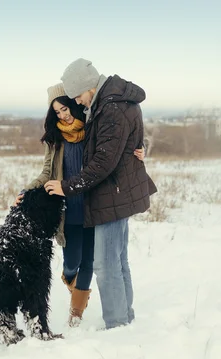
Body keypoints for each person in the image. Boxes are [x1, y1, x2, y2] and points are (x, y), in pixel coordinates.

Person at [17, 83, 145, 327]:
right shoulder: (54, 139)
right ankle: (74, 285)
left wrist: (139, 150)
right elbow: (47, 172)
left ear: (74, 105)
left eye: (65, 109)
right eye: (57, 112)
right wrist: (28, 190)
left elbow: (113, 150)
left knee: (89, 262)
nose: (63, 115)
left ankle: (76, 313)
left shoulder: (91, 129)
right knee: (71, 263)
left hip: (92, 207)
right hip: (68, 211)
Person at [44, 59, 157, 330]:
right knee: (119, 261)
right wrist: (139, 146)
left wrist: (66, 186)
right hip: (117, 192)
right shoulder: (113, 102)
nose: (77, 102)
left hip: (112, 194)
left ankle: (117, 324)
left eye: (78, 95)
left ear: (89, 87)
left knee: (106, 266)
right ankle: (125, 319)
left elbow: (103, 163)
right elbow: (126, 141)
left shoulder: (111, 108)